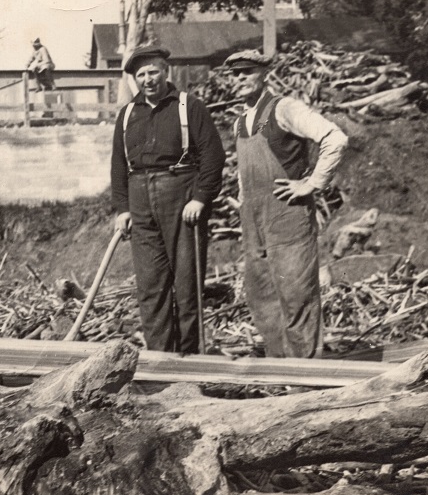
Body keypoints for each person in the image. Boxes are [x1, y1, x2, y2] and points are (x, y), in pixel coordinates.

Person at [224, 49, 348, 359]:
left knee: (297, 295)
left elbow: (335, 138)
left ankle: (306, 380)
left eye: (247, 72)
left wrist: (312, 183)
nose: (240, 79)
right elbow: (244, 171)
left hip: (288, 215)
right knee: (262, 296)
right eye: (235, 74)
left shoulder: (284, 109)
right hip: (254, 221)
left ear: (264, 73)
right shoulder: (240, 121)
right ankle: (281, 374)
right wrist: (243, 201)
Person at [111, 45, 225, 354]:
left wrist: (201, 198)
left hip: (180, 195)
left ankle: (189, 357)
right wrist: (122, 208)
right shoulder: (127, 114)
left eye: (153, 72)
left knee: (187, 284)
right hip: (139, 199)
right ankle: (161, 359)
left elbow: (214, 156)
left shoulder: (189, 107)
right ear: (135, 80)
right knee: (151, 286)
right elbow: (118, 166)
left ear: (166, 72)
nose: (148, 79)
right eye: (141, 75)